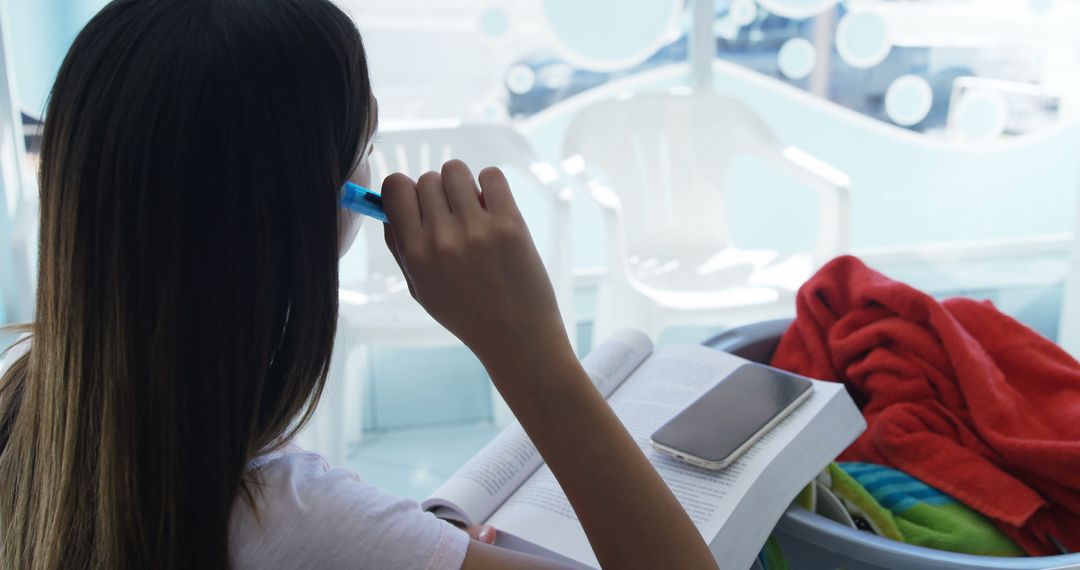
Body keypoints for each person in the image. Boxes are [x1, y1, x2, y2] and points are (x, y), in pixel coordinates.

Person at [0, 0, 719, 568]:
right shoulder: (294, 521)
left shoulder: (24, 395)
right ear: (316, 207)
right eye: (365, 143)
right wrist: (535, 358)